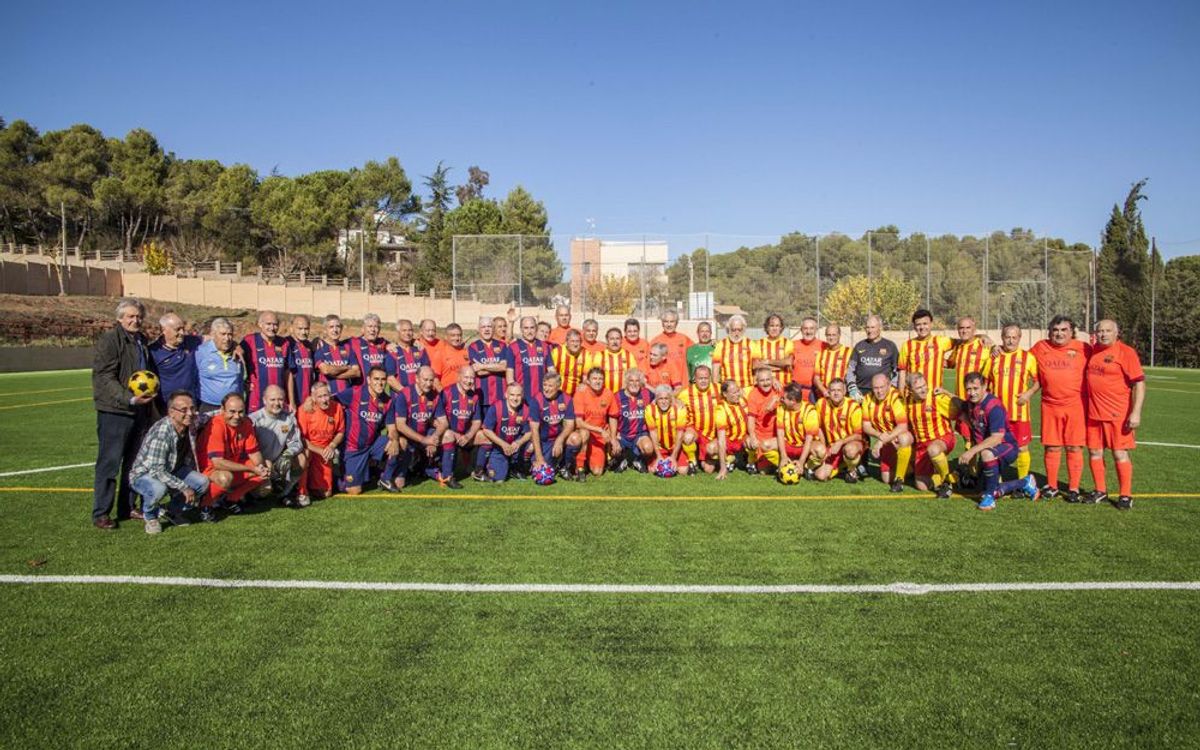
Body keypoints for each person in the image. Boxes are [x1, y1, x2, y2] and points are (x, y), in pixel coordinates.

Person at [92, 298, 155, 529]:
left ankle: (127, 507)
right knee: (109, 463)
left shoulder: (141, 340)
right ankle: (101, 513)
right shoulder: (110, 340)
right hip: (115, 411)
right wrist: (127, 397)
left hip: (139, 410)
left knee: (133, 463)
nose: (135, 320)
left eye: (138, 316)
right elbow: (104, 376)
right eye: (130, 316)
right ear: (119, 318)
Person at [942, 373, 1040, 511]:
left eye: (975, 388)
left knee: (987, 456)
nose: (972, 393)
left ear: (984, 386)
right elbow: (960, 403)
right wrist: (945, 392)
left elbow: (996, 438)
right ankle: (1025, 482)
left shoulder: (994, 407)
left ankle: (990, 499)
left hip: (1006, 447)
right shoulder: (971, 403)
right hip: (989, 449)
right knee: (985, 488)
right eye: (968, 389)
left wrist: (971, 451)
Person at [128, 390, 209, 534]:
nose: (190, 413)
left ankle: (170, 510)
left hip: (173, 469)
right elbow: (157, 471)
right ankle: (150, 516)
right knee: (159, 489)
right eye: (184, 410)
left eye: (192, 408)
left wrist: (226, 411)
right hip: (145, 474)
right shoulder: (162, 432)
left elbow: (208, 416)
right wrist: (183, 487)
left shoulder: (191, 422)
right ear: (171, 412)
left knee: (202, 483)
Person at [1084, 320, 1145, 510]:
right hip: (1094, 413)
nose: (1103, 334)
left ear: (1116, 333)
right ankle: (1100, 490)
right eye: (1100, 331)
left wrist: (1136, 412)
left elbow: (1139, 384)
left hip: (1117, 414)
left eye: (1108, 331)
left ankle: (1125, 495)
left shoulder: (1126, 352)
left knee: (1119, 454)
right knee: (1094, 452)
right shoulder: (1093, 351)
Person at [1030, 315, 1090, 502]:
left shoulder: (1084, 348)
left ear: (1072, 332)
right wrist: (996, 347)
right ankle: (1052, 486)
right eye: (1055, 330)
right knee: (1052, 447)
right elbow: (1019, 357)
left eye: (1064, 330)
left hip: (1076, 406)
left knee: (1074, 447)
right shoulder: (1040, 347)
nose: (1059, 333)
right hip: (1050, 406)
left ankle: (1073, 489)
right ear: (1049, 332)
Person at [196, 392, 270, 521]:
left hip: (231, 466)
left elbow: (254, 452)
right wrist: (252, 469)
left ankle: (230, 500)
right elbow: (217, 463)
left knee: (267, 465)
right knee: (225, 478)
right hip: (211, 470)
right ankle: (205, 505)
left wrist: (261, 468)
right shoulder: (216, 425)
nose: (236, 416)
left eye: (240, 412)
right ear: (222, 410)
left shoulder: (246, 423)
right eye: (232, 411)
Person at [331, 366, 396, 495]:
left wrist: (394, 440)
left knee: (399, 442)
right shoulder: (354, 392)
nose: (380, 383)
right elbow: (331, 399)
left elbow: (392, 428)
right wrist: (312, 400)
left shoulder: (388, 401)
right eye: (376, 379)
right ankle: (336, 475)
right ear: (369, 380)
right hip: (353, 448)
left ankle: (385, 478)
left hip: (372, 444)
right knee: (354, 491)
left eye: (383, 379)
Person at [985, 325, 1039, 480]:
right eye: (1007, 337)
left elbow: (1038, 381)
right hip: (997, 413)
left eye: (1014, 337)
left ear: (1019, 338)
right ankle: (997, 480)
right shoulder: (994, 357)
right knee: (996, 447)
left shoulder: (1028, 358)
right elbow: (984, 382)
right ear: (1002, 337)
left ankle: (1023, 481)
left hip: (1019, 412)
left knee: (1022, 448)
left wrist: (1029, 393)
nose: (1011, 341)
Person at [380, 365, 441, 491]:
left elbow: (444, 422)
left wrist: (434, 438)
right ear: (417, 379)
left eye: (431, 380)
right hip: (407, 437)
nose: (428, 383)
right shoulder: (405, 394)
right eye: (425, 380)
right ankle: (385, 475)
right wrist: (425, 440)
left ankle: (426, 467)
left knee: (446, 436)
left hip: (424, 433)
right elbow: (400, 425)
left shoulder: (435, 395)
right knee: (400, 483)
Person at [250, 384, 307, 506]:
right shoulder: (254, 420)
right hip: (258, 464)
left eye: (280, 399)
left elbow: (296, 442)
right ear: (264, 400)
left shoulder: (289, 418)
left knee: (301, 458)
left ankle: (285, 492)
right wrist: (261, 464)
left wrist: (288, 454)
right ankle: (249, 494)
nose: (277, 403)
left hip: (278, 461)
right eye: (272, 399)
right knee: (264, 491)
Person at [905, 373, 959, 497]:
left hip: (943, 438)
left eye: (924, 385)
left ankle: (946, 482)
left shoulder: (936, 397)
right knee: (921, 486)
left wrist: (947, 393)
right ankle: (955, 476)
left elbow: (961, 408)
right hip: (922, 446)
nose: (924, 389)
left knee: (933, 449)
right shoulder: (907, 402)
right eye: (919, 388)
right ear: (910, 391)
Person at [432, 366, 482, 488]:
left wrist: (468, 436)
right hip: (447, 434)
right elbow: (435, 419)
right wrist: (453, 433)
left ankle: (478, 471)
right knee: (448, 435)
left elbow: (477, 421)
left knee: (484, 436)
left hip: (465, 436)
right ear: (458, 377)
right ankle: (447, 476)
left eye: (472, 378)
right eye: (466, 377)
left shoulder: (474, 396)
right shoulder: (446, 393)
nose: (469, 381)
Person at [861, 372, 912, 492]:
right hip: (888, 440)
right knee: (886, 478)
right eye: (875, 388)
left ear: (889, 385)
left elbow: (903, 426)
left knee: (903, 438)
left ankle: (899, 479)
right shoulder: (868, 399)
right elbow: (866, 426)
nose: (879, 391)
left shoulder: (896, 397)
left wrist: (881, 441)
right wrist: (880, 436)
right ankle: (910, 468)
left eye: (882, 387)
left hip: (901, 437)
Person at [296, 381, 344, 505]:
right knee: (305, 454)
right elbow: (301, 439)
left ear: (330, 395)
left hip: (326, 450)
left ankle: (317, 479)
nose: (324, 400)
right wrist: (320, 451)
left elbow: (340, 432)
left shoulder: (337, 407)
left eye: (326, 395)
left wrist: (332, 446)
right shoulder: (305, 409)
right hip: (310, 448)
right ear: (313, 397)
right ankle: (302, 491)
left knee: (326, 493)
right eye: (320, 397)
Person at [477, 383, 536, 481]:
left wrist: (519, 442)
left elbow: (529, 432)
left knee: (532, 444)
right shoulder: (496, 407)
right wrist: (503, 444)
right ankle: (485, 466)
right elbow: (486, 430)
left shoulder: (526, 409)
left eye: (518, 395)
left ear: (522, 396)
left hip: (516, 446)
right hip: (499, 446)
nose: (515, 398)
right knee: (499, 478)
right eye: (512, 395)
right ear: (506, 395)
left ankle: (516, 467)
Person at [948, 316, 992, 446]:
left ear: (974, 329)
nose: (964, 330)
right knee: (967, 438)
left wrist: (991, 343)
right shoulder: (958, 347)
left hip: (979, 402)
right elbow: (950, 363)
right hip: (962, 401)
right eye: (961, 328)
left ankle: (985, 459)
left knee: (982, 437)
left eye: (968, 327)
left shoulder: (984, 345)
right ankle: (971, 459)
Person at [569, 367, 619, 477]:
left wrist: (613, 438)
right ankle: (580, 466)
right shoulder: (580, 393)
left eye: (600, 379)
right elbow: (579, 423)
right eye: (594, 378)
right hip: (583, 432)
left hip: (599, 436)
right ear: (588, 381)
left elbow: (613, 417)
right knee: (584, 433)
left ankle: (602, 455)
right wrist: (599, 430)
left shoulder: (608, 393)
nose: (598, 381)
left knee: (597, 472)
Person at [240, 310, 292, 413]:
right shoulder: (249, 341)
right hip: (256, 401)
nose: (272, 328)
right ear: (260, 324)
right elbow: (236, 360)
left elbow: (288, 373)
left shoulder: (284, 343)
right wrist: (243, 383)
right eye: (268, 324)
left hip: (278, 401)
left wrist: (291, 401)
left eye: (275, 324)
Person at [813, 378, 864, 482]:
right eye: (833, 390)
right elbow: (819, 427)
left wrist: (841, 442)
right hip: (833, 447)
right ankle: (842, 466)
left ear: (844, 392)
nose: (836, 393)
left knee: (850, 450)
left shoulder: (853, 406)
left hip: (850, 443)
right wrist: (824, 447)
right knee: (820, 476)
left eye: (839, 390)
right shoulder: (821, 404)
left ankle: (852, 469)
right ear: (828, 392)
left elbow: (859, 435)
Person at [531, 372, 580, 479]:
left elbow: (570, 425)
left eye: (550, 386)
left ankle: (564, 466)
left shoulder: (566, 399)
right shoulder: (536, 400)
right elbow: (534, 430)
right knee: (539, 465)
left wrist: (560, 440)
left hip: (559, 440)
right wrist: (539, 458)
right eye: (544, 385)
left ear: (558, 387)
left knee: (575, 438)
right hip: (544, 442)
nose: (546, 389)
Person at [149, 312, 201, 406]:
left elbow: (211, 339)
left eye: (183, 329)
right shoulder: (153, 352)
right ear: (164, 330)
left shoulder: (191, 341)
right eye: (177, 329)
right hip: (167, 405)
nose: (182, 333)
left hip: (191, 403)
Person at [898, 309, 954, 395]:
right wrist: (901, 394)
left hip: (934, 395)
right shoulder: (907, 345)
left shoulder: (940, 341)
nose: (922, 327)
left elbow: (963, 342)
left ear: (931, 324)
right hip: (914, 396)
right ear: (914, 326)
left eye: (925, 323)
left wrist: (949, 361)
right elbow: (902, 372)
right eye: (918, 324)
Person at [772, 382, 821, 478]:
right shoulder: (781, 408)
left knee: (821, 450)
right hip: (789, 444)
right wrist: (783, 456)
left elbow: (809, 440)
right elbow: (780, 434)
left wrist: (801, 461)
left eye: (784, 398)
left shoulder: (810, 411)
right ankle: (785, 464)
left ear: (792, 401)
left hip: (804, 446)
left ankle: (806, 467)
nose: (781, 399)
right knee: (765, 445)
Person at [196, 317, 245, 412]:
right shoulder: (200, 352)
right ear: (213, 335)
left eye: (230, 334)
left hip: (233, 407)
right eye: (223, 334)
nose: (227, 338)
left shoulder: (237, 353)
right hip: (209, 406)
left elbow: (240, 380)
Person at [678, 364, 721, 471]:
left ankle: (726, 458)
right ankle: (692, 461)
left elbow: (734, 393)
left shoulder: (719, 389)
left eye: (706, 378)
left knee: (708, 469)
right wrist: (677, 402)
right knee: (688, 437)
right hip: (695, 430)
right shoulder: (686, 393)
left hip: (713, 433)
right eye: (700, 378)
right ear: (695, 379)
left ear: (710, 378)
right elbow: (672, 400)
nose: (703, 381)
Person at [611, 369, 655, 473]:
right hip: (622, 434)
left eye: (637, 381)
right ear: (626, 382)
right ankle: (622, 459)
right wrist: (613, 436)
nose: (634, 384)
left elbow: (662, 394)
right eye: (631, 381)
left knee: (648, 448)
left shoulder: (646, 393)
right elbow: (612, 417)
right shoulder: (617, 396)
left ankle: (637, 459)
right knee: (614, 450)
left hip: (640, 434)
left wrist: (676, 401)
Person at [845, 314, 899, 401]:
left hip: (881, 392)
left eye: (873, 327)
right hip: (861, 392)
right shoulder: (859, 346)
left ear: (880, 328)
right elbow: (850, 370)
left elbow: (897, 371)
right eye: (867, 327)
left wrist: (892, 387)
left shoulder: (890, 346)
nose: (869, 330)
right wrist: (852, 387)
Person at [645, 383, 693, 475]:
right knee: (652, 470)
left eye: (666, 398)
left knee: (683, 471)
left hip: (675, 447)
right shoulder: (650, 410)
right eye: (661, 399)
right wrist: (658, 456)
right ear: (656, 400)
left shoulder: (680, 410)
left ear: (671, 399)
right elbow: (653, 433)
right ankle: (650, 458)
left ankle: (687, 460)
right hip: (660, 448)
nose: (664, 402)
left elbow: (680, 434)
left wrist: (674, 457)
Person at [743, 365, 782, 471]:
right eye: (762, 380)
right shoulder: (753, 395)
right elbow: (751, 419)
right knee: (763, 470)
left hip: (776, 435)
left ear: (772, 379)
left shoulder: (778, 389)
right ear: (757, 382)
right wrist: (752, 436)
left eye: (768, 379)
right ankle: (751, 461)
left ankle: (783, 463)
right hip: (760, 434)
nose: (765, 383)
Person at [505, 316, 555, 396]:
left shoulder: (545, 346)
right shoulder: (513, 347)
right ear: (521, 329)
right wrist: (514, 394)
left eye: (532, 328)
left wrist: (551, 389)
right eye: (526, 328)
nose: (529, 331)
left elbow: (551, 371)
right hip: (522, 395)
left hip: (541, 395)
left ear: (536, 328)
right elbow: (510, 375)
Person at [712, 379, 751, 479]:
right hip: (729, 441)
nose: (737, 394)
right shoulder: (721, 410)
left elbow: (759, 384)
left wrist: (773, 380)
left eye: (738, 391)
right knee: (711, 449)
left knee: (753, 442)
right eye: (734, 393)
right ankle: (730, 459)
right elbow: (721, 440)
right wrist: (722, 468)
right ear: (725, 394)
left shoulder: (743, 399)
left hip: (743, 438)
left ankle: (751, 462)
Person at [314, 315, 359, 397]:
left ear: (341, 328)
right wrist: (347, 367)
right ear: (325, 330)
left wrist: (333, 375)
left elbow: (356, 372)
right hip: (327, 397)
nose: (335, 330)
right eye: (331, 327)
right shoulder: (319, 347)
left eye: (337, 326)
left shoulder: (348, 347)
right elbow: (326, 370)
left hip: (347, 396)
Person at [469, 316, 509, 409]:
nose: (486, 329)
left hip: (501, 395)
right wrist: (497, 368)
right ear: (479, 329)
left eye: (489, 326)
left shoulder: (502, 345)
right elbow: (479, 372)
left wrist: (482, 366)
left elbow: (504, 367)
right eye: (483, 327)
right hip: (482, 396)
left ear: (493, 329)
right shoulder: (473, 347)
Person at [348, 313, 392, 389]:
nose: (373, 330)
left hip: (379, 390)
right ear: (363, 329)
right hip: (359, 390)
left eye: (376, 327)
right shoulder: (353, 342)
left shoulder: (383, 343)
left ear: (379, 330)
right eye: (370, 326)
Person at [587, 327, 634, 394]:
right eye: (612, 339)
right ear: (607, 340)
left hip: (623, 395)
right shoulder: (600, 356)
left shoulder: (629, 355)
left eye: (617, 338)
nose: (615, 342)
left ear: (621, 340)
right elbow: (593, 377)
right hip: (604, 394)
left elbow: (634, 376)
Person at [388, 318, 430, 393]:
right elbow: (390, 379)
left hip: (420, 395)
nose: (407, 333)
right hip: (400, 396)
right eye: (404, 330)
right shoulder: (392, 351)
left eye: (410, 330)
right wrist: (406, 393)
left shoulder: (420, 349)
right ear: (398, 332)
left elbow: (427, 373)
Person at [712, 315, 754, 389]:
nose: (736, 333)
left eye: (739, 330)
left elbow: (757, 369)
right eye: (734, 330)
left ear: (743, 330)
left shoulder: (751, 344)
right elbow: (715, 372)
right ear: (728, 330)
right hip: (728, 390)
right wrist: (716, 389)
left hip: (747, 388)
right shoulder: (720, 345)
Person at [790, 316, 826, 402]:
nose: (808, 331)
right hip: (796, 390)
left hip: (816, 392)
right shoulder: (792, 345)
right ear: (801, 330)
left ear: (816, 330)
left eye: (811, 328)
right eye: (805, 328)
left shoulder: (824, 346)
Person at [753, 313, 794, 386]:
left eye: (777, 326)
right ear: (767, 327)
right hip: (765, 385)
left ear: (781, 328)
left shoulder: (787, 342)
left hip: (785, 384)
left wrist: (767, 361)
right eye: (771, 326)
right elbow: (756, 365)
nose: (774, 328)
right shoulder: (759, 343)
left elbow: (788, 362)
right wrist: (779, 366)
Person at [286, 315, 317, 409]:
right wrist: (291, 401)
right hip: (290, 400)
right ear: (291, 328)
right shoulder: (286, 344)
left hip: (308, 399)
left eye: (306, 329)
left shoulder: (309, 345)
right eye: (300, 328)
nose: (303, 332)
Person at [812, 324, 850, 399]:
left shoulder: (849, 352)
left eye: (834, 335)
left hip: (843, 396)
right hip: (825, 395)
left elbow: (852, 375)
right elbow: (816, 378)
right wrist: (824, 391)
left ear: (839, 335)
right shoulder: (821, 354)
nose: (831, 338)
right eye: (828, 335)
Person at [650, 310, 693, 376]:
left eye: (672, 321)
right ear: (662, 323)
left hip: (682, 380)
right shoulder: (655, 341)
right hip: (663, 381)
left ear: (676, 323)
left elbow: (697, 352)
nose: (669, 325)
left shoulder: (684, 339)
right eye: (666, 321)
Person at [549, 329, 587, 397]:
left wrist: (584, 384)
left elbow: (586, 377)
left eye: (577, 341)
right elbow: (550, 374)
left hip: (576, 393)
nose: (575, 344)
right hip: (559, 392)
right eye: (572, 341)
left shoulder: (585, 354)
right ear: (566, 342)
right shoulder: (557, 352)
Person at [435, 323, 471, 388]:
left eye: (459, 335)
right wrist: (443, 393)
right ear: (446, 337)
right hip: (447, 392)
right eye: (453, 335)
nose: (457, 338)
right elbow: (435, 379)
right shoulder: (440, 353)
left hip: (466, 392)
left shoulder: (467, 352)